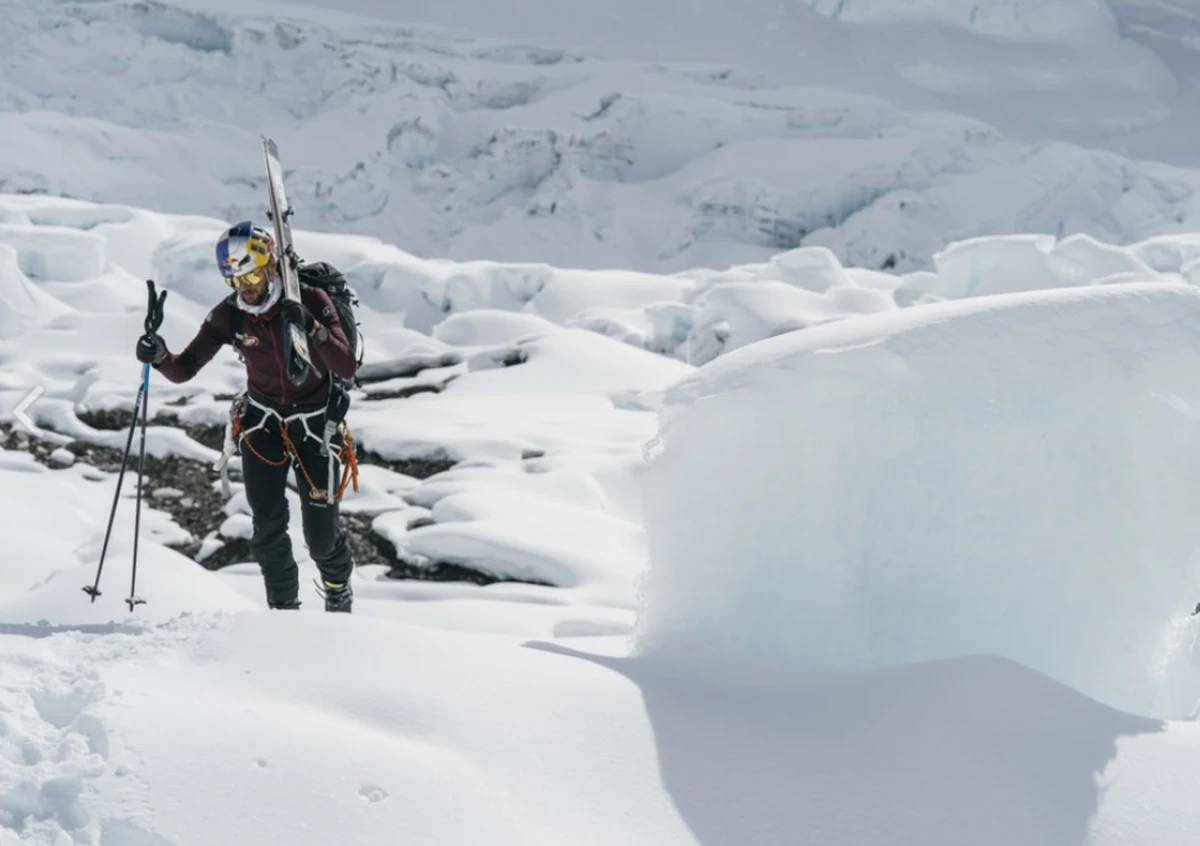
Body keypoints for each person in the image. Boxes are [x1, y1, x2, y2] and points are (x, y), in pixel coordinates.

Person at [135, 221, 358, 612]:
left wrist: (311, 326)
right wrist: (159, 357)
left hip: (316, 427)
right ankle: (283, 614)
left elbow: (345, 366)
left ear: (271, 263)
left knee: (321, 539)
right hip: (262, 425)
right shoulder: (230, 315)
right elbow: (184, 369)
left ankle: (338, 592)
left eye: (252, 274)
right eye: (236, 280)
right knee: (267, 531)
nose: (246, 287)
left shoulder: (310, 297)